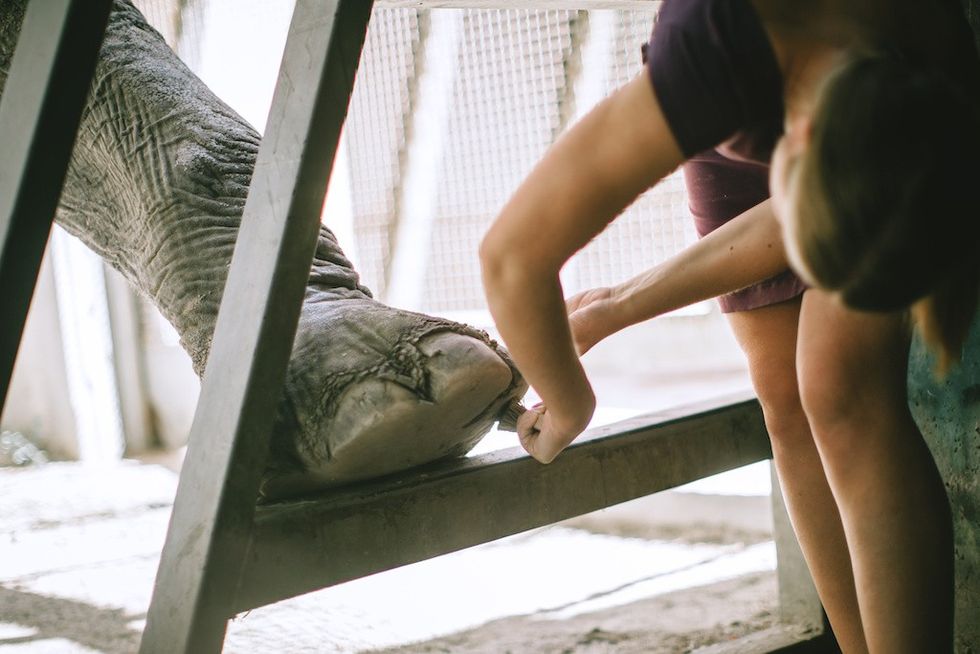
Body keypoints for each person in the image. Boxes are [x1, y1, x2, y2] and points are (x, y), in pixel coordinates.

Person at [479, 0, 980, 652]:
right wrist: (571, 401)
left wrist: (619, 307)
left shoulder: (933, 76)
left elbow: (792, 220)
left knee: (836, 385)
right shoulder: (708, 52)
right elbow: (511, 258)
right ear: (794, 143)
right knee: (783, 394)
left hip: (836, 80)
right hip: (746, 57)